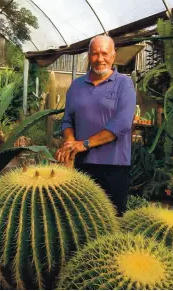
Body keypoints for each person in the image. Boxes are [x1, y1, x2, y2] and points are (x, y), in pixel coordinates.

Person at [55, 35, 136, 216]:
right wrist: (69, 141)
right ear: (89, 55)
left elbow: (122, 125)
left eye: (105, 53)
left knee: (110, 221)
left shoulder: (124, 84)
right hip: (81, 165)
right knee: (82, 220)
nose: (100, 59)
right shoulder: (76, 86)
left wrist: (84, 144)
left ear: (113, 56)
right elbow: (67, 120)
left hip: (113, 167)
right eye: (95, 54)